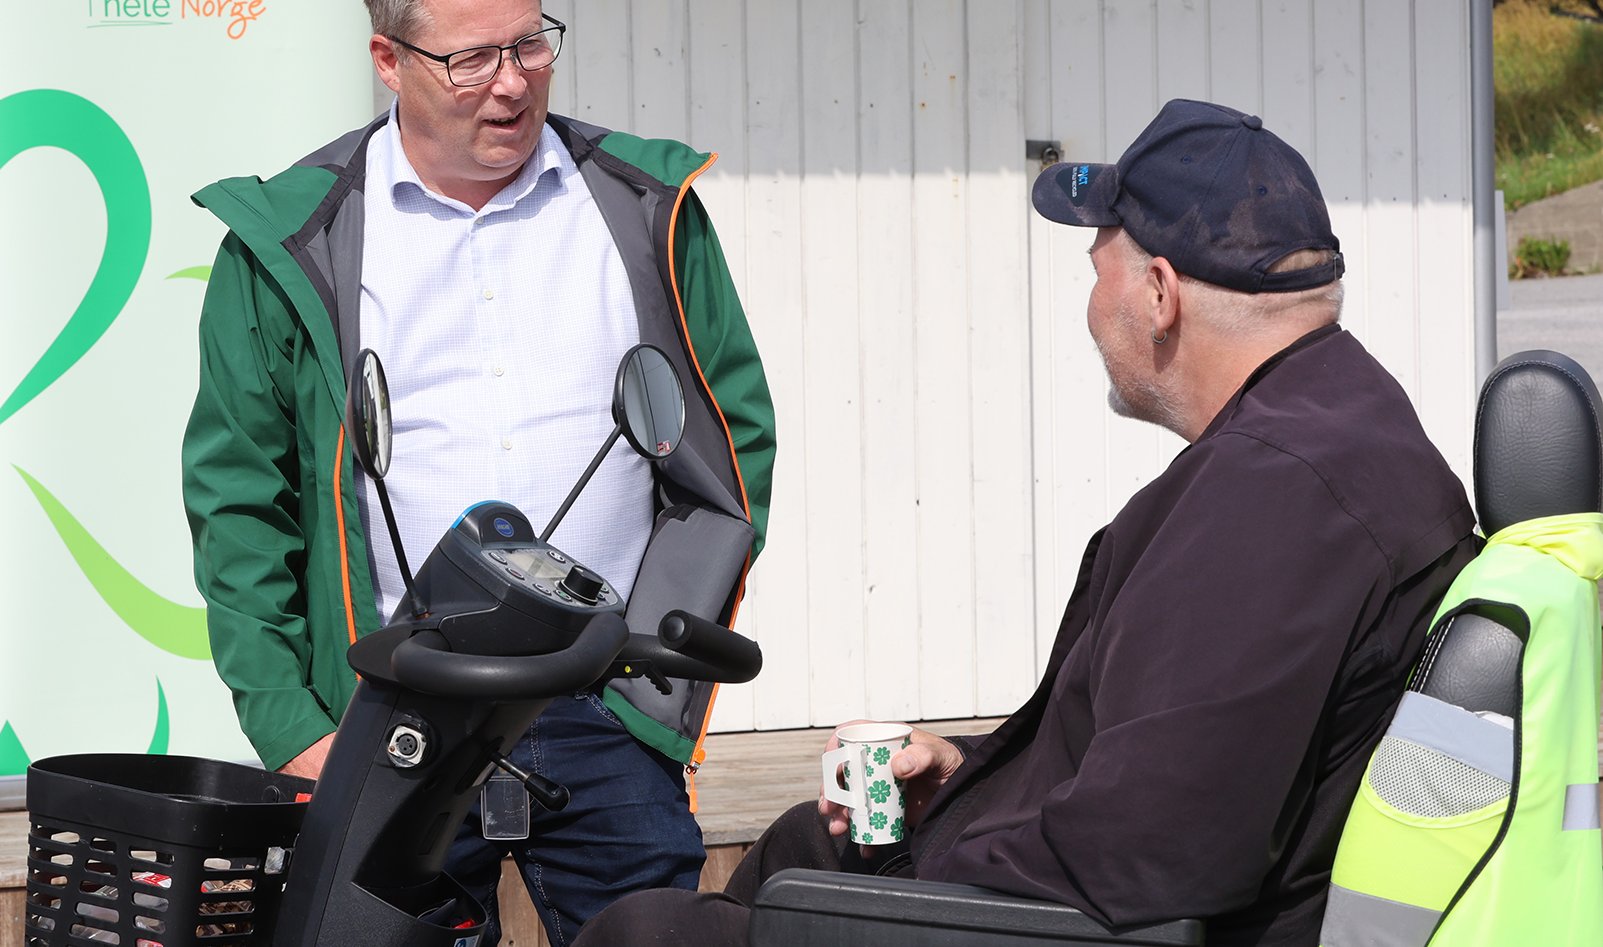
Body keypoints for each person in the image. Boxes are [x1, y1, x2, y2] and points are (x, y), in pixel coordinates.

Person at [572, 99, 1480, 947]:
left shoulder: (1276, 500)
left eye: (1100, 271)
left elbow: (1149, 854)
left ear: (1160, 293)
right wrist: (963, 781)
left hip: (1079, 926)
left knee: (647, 932)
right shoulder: (1340, 427)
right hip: (1089, 895)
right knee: (808, 844)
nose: (1095, 309)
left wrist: (937, 856)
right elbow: (1174, 753)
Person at [182, 0, 776, 947]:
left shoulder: (644, 206)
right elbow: (240, 503)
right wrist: (292, 726)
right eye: (471, 58)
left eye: (530, 43)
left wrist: (653, 695)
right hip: (391, 713)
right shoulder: (289, 238)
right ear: (388, 57)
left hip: (604, 707)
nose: (512, 82)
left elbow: (729, 455)